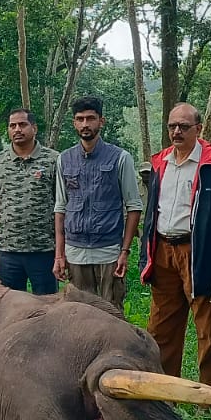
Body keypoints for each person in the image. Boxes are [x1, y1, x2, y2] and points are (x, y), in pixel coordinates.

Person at [140, 103, 211, 393]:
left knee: (207, 327)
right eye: (172, 126)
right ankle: (164, 388)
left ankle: (209, 392)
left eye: (184, 126)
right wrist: (147, 252)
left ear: (199, 129)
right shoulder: (161, 162)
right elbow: (152, 211)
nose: (177, 131)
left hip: (199, 252)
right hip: (163, 252)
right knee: (161, 326)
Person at [54, 98, 143, 309]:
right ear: (74, 123)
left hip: (109, 250)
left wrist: (124, 252)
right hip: (75, 251)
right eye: (80, 119)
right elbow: (60, 208)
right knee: (77, 312)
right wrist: (59, 255)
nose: (85, 124)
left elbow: (134, 206)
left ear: (101, 121)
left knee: (110, 312)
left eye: (90, 118)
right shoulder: (64, 159)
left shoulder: (120, 158)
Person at [0, 109, 61, 295]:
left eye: (22, 125)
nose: (17, 129)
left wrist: (61, 251)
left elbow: (62, 207)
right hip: (8, 251)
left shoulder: (54, 160)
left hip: (43, 250)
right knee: (9, 308)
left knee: (46, 306)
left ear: (34, 128)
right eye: (12, 126)